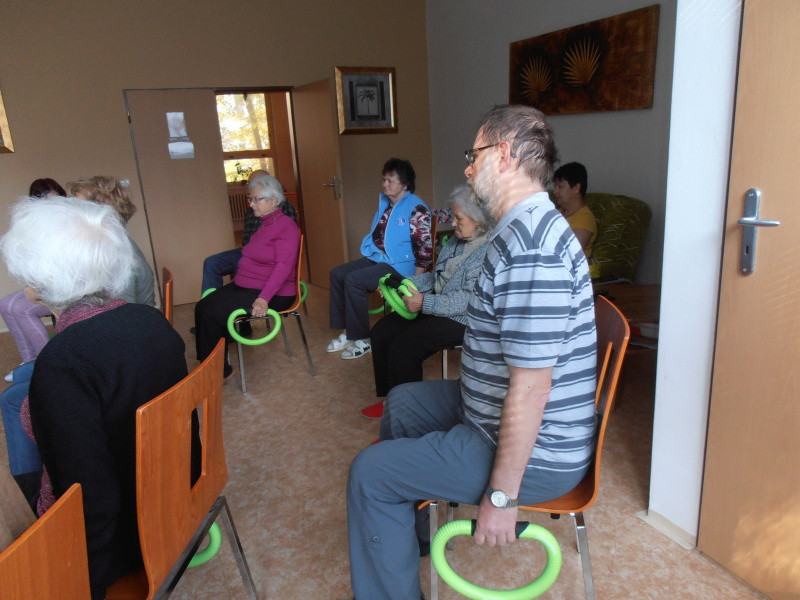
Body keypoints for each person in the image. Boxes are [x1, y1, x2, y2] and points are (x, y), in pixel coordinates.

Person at [346, 105, 597, 600]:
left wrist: (501, 497)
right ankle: (408, 533)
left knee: (369, 473)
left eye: (472, 155)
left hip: (535, 451)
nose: (467, 169)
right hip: (487, 412)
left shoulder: (532, 248)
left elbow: (532, 388)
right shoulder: (515, 229)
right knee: (403, 402)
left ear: (503, 155)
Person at [0, 196, 190, 600]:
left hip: (128, 538)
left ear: (36, 283)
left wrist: (80, 580)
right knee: (19, 398)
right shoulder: (152, 321)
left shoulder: (62, 364)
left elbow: (90, 497)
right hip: (178, 498)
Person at [360, 184, 492, 420]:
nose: (452, 223)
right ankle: (391, 400)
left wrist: (425, 304)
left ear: (478, 220)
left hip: (463, 318)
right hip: (436, 303)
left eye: (458, 218)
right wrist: (401, 284)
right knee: (381, 331)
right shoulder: (455, 241)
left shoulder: (489, 251)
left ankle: (407, 413)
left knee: (405, 345)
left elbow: (467, 299)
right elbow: (434, 278)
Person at [194, 173, 299, 379]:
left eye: (257, 199)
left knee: (212, 312)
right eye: (250, 199)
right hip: (247, 286)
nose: (251, 204)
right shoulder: (265, 223)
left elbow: (284, 266)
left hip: (272, 293)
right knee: (203, 306)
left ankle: (216, 373)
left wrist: (263, 298)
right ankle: (208, 366)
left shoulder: (286, 226)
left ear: (274, 200)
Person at [327, 158, 432, 360]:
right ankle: (348, 332)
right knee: (338, 273)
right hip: (379, 259)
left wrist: (414, 281)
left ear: (405, 184)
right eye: (384, 179)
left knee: (354, 280)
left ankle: (362, 339)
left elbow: (424, 250)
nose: (384, 184)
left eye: (390, 180)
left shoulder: (416, 208)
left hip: (399, 267)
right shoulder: (386, 204)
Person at [0, 179, 66, 381]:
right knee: (5, 304)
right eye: (41, 199)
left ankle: (51, 364)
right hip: (47, 283)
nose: (47, 204)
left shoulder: (67, 222)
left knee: (22, 309)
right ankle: (29, 362)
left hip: (66, 287)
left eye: (51, 198)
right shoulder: (36, 225)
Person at [200, 169, 298, 293]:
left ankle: (238, 299)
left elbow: (287, 251)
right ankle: (214, 299)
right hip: (247, 251)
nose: (251, 188)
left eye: (256, 184)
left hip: (264, 260)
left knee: (244, 270)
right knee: (211, 263)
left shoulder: (285, 211)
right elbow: (247, 238)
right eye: (250, 184)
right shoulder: (252, 209)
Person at [68, 175, 156, 307]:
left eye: (79, 207)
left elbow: (123, 310)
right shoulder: (111, 244)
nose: (72, 213)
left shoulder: (115, 254)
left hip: (132, 316)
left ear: (102, 213)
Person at [552, 161, 597, 258]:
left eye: (560, 187)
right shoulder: (559, 212)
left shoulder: (585, 219)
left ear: (576, 188)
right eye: (555, 186)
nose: (555, 192)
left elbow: (569, 254)